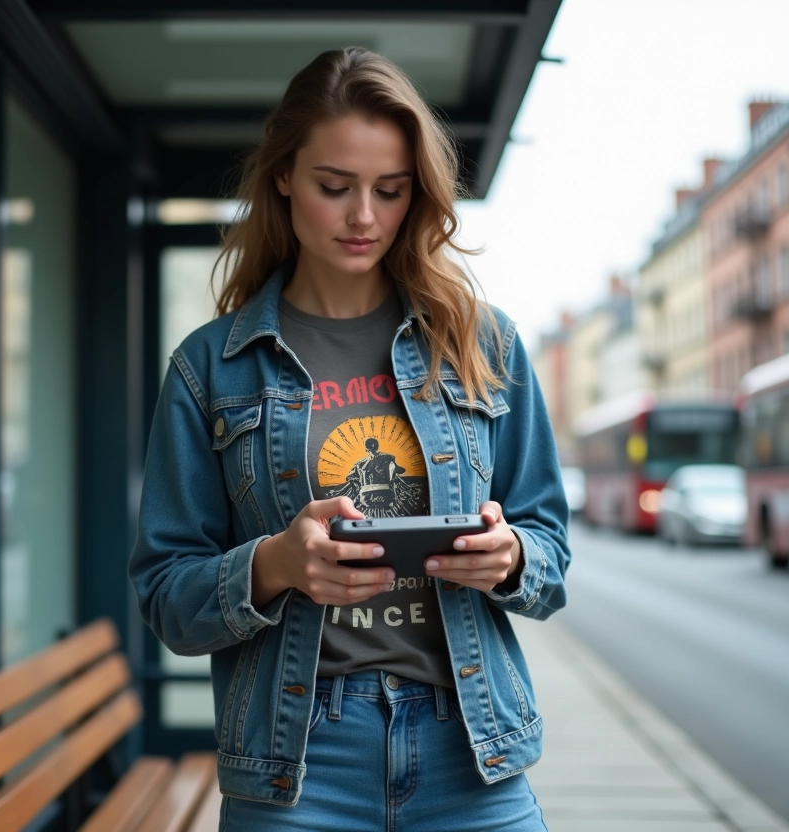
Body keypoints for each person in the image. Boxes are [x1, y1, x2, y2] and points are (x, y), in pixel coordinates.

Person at [130, 46, 571, 831]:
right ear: (285, 177)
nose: (363, 215)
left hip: (469, 752)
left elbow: (549, 548)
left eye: (390, 190)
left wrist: (510, 559)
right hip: (297, 766)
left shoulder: (483, 344)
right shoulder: (209, 368)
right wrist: (274, 564)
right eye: (336, 187)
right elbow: (166, 594)